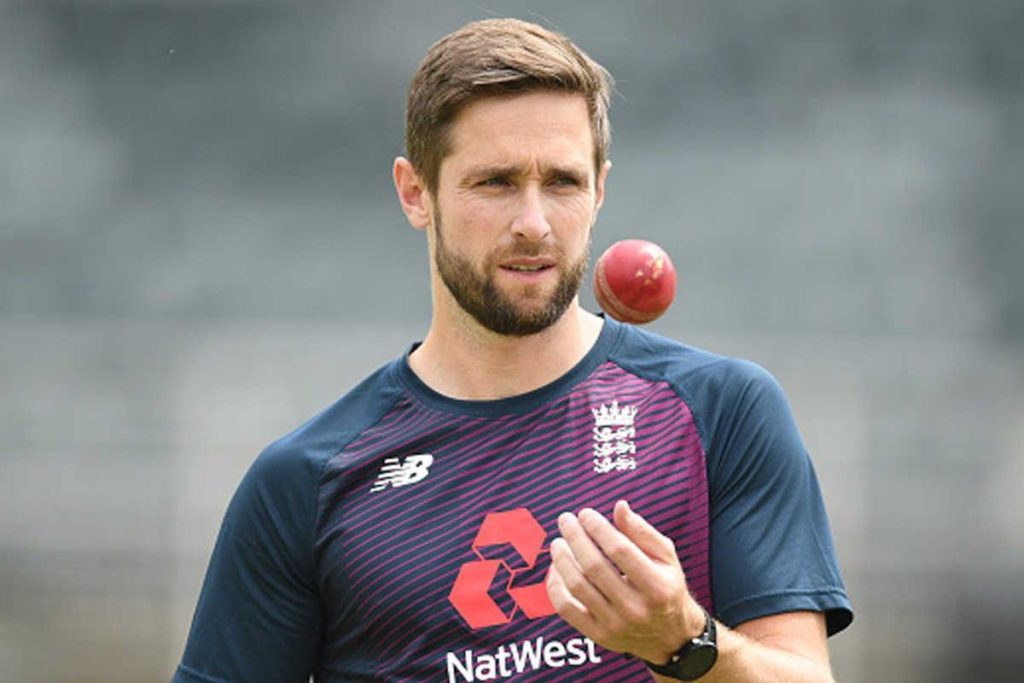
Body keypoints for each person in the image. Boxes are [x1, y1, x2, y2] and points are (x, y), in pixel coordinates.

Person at [173, 17, 852, 683]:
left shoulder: (720, 411)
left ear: (600, 189)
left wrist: (684, 642)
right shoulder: (307, 479)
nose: (534, 223)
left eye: (562, 182)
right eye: (495, 182)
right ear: (416, 193)